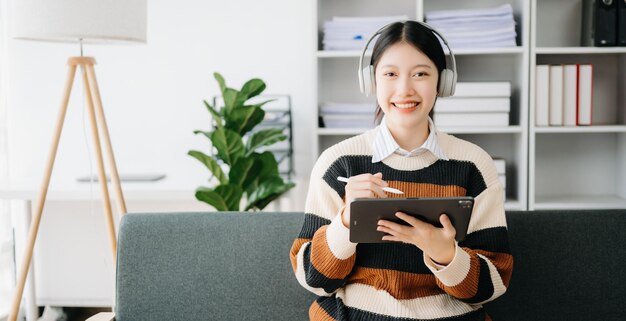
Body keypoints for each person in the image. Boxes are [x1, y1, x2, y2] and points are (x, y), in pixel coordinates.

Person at [290, 20, 513, 321]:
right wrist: (345, 222)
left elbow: (494, 284)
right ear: (372, 82)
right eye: (390, 74)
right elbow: (313, 280)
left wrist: (446, 255)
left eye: (421, 74)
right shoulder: (339, 162)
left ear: (442, 83)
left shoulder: (474, 165)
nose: (405, 89)